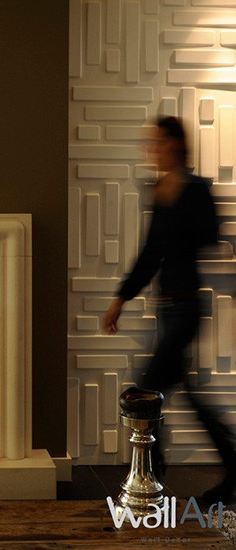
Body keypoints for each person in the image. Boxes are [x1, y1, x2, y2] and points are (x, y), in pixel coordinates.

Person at [103, 116, 235, 505]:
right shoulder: (158, 191)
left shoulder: (195, 191)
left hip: (188, 307)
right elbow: (150, 254)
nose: (152, 149)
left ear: (175, 144)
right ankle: (229, 467)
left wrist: (185, 199)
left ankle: (150, 472)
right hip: (166, 309)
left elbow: (210, 236)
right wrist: (121, 298)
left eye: (158, 142)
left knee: (146, 388)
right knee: (187, 394)